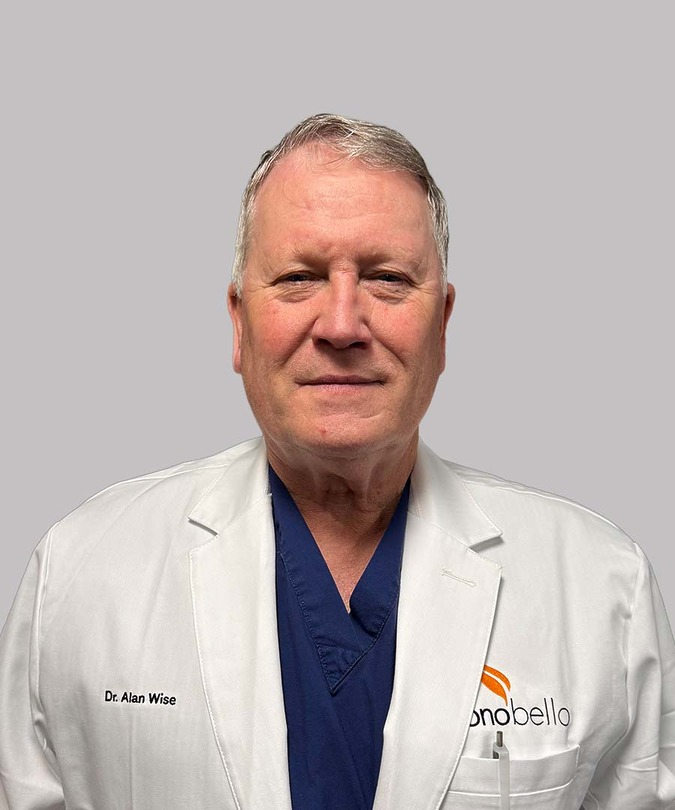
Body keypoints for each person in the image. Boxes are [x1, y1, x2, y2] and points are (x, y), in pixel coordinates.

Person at [0, 113, 673, 810]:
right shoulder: (82, 571)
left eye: (385, 279)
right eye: (298, 278)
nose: (342, 324)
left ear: (441, 327)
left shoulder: (599, 587)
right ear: (238, 325)